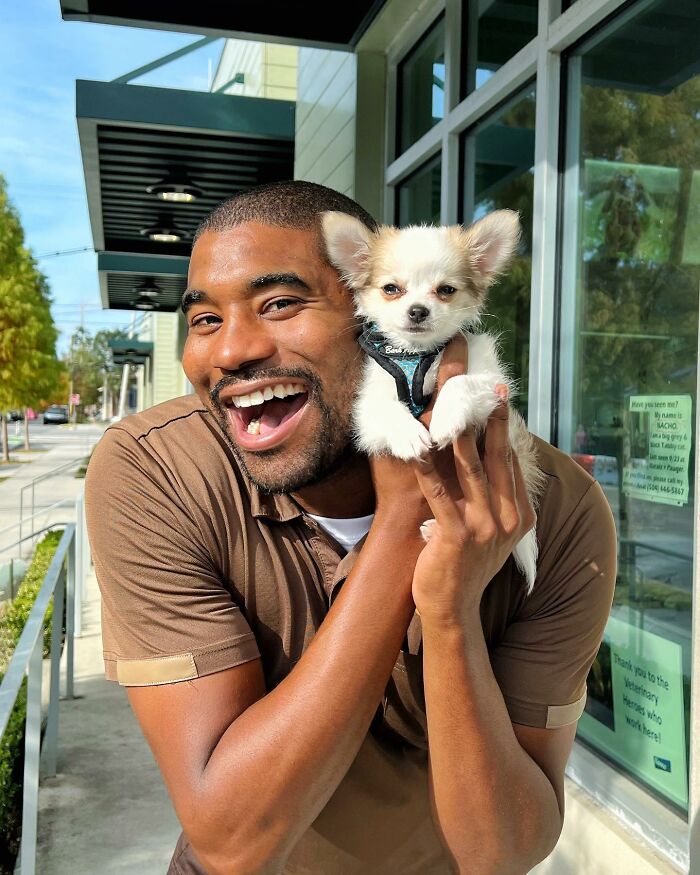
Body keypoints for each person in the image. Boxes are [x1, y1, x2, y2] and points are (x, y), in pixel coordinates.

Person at [85, 181, 617, 875]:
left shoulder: (555, 509)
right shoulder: (156, 473)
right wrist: (402, 525)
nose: (231, 351)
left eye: (279, 303)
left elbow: (504, 850)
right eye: (205, 320)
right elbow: (232, 840)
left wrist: (450, 611)